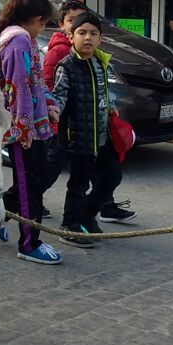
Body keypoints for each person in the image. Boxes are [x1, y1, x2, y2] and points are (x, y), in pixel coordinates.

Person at [0, 0, 62, 265]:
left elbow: (36, 83)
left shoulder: (28, 40)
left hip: (35, 126)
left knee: (35, 180)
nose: (44, 28)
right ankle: (29, 243)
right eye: (44, 22)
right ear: (36, 19)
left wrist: (49, 103)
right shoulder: (18, 42)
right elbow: (18, 88)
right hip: (22, 129)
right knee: (28, 187)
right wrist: (23, 128)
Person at [48, 12, 124, 237]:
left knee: (112, 176)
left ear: (100, 38)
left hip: (101, 137)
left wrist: (110, 106)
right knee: (78, 185)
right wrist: (54, 109)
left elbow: (104, 90)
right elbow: (59, 95)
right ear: (71, 37)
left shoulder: (101, 62)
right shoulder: (67, 66)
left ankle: (87, 215)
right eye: (82, 33)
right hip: (77, 138)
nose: (87, 38)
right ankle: (69, 226)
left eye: (93, 34)